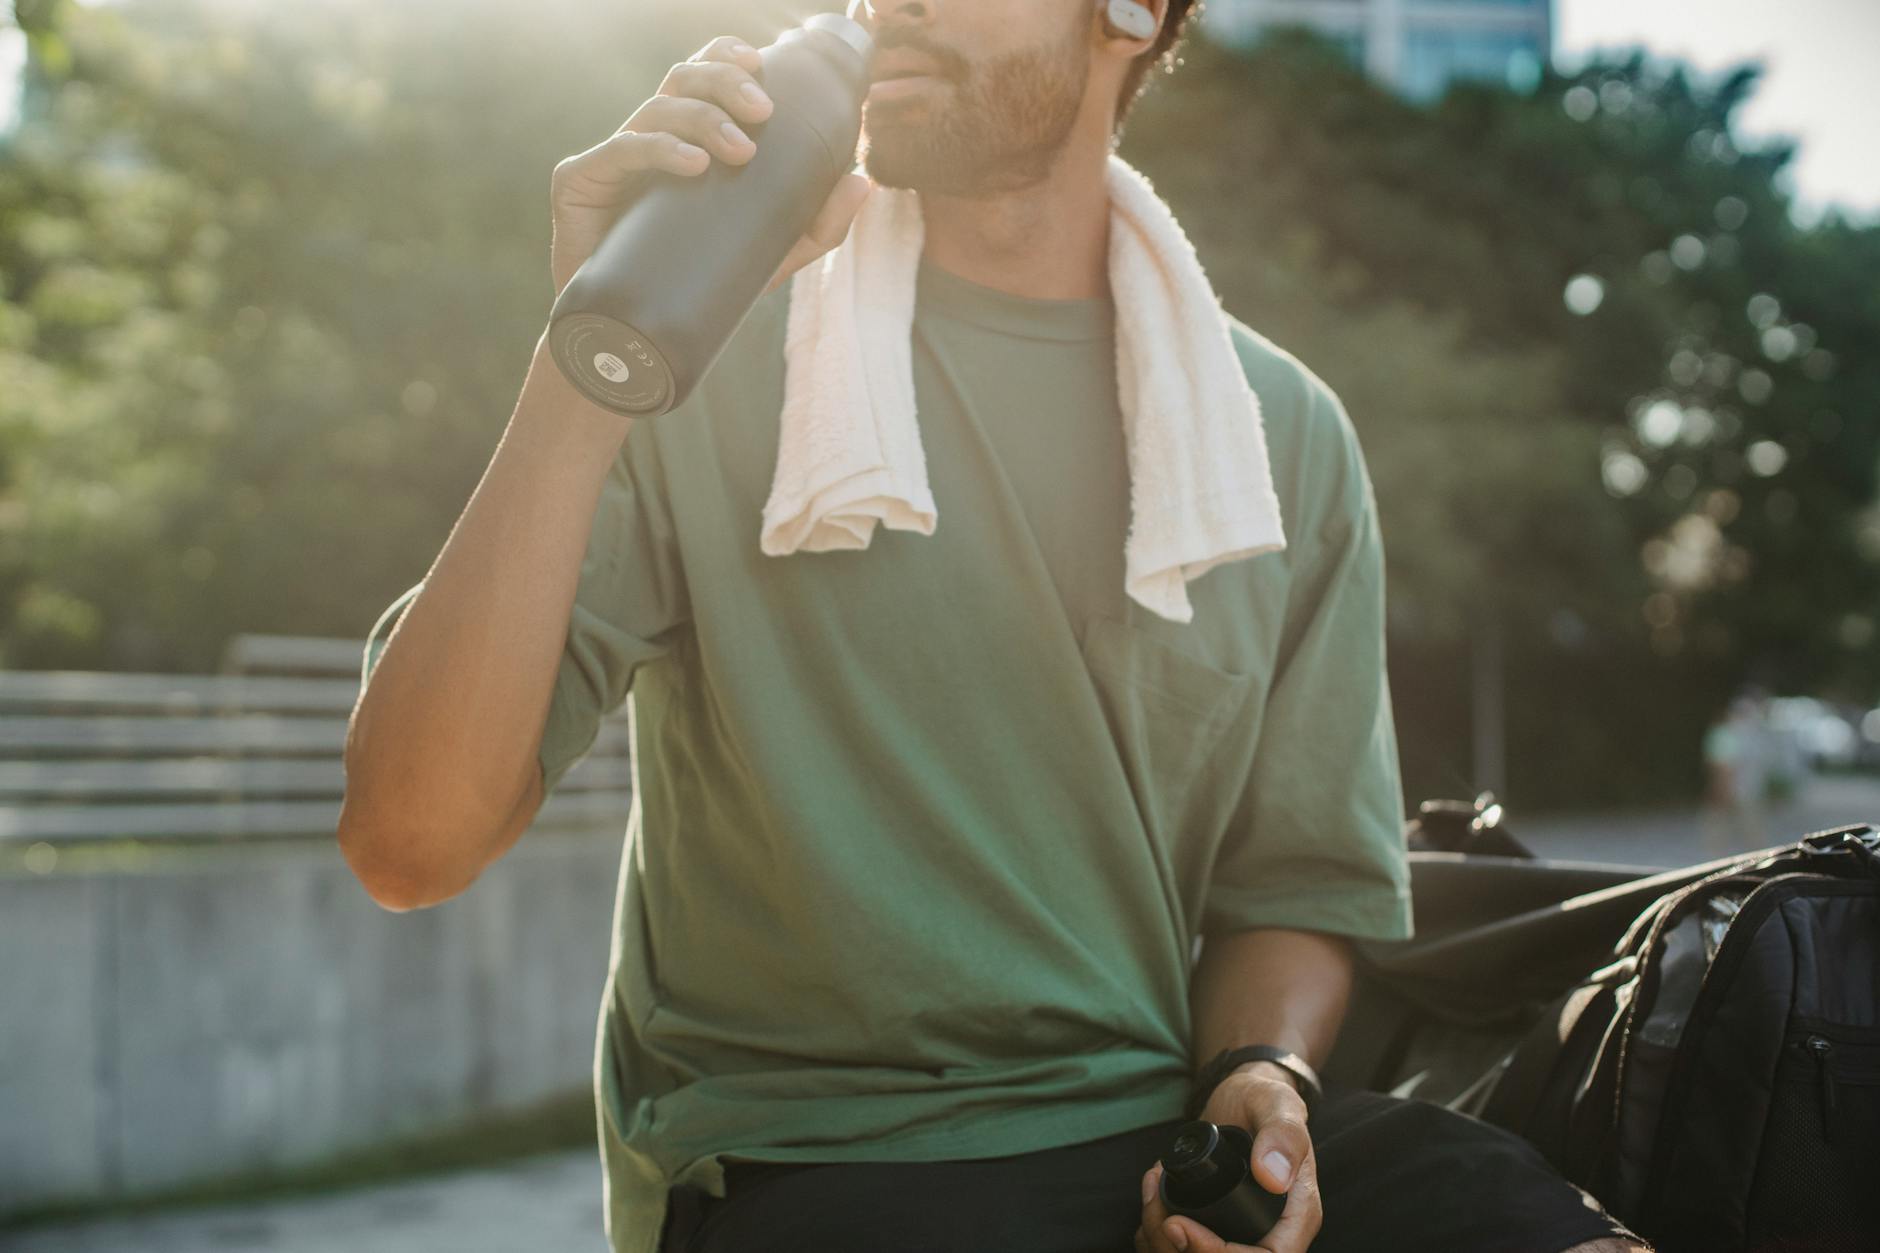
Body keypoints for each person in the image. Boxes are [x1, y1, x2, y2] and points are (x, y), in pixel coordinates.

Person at [340, 2, 1651, 1251]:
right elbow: (409, 840)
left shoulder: (1273, 436)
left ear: (1131, 10)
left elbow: (1292, 889)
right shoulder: (714, 342)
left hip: (1154, 1126)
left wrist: (1262, 1073)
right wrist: (593, 354)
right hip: (832, 1161)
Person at [1701, 693, 1770, 858]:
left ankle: (1715, 864)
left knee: (1718, 832)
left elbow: (1723, 766)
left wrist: (1721, 788)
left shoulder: (1725, 734)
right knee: (1751, 834)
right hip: (1749, 791)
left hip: (1733, 789)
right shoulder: (1751, 735)